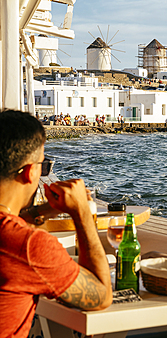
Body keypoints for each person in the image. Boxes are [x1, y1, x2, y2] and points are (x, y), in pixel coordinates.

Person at [0, 109, 112, 338]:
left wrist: (40, 212)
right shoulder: (29, 247)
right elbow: (101, 296)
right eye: (44, 164)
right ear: (31, 172)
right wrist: (81, 213)